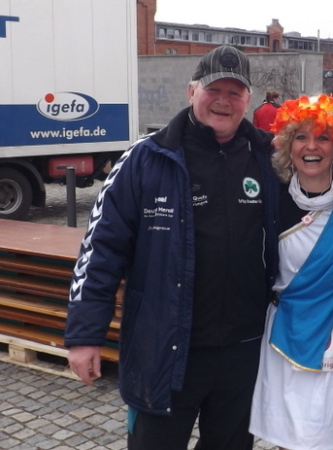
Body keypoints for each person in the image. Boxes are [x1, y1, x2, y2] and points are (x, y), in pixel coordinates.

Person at [64, 44, 280, 450]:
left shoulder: (270, 158)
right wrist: (85, 335)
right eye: (214, 89)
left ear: (248, 100)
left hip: (244, 350)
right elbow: (101, 250)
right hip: (164, 346)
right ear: (191, 91)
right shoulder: (147, 158)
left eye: (234, 92)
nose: (223, 100)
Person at [249, 94, 333, 449]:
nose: (311, 146)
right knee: (289, 434)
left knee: (328, 433)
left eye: (323, 137)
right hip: (285, 331)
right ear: (288, 145)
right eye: (301, 137)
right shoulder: (272, 201)